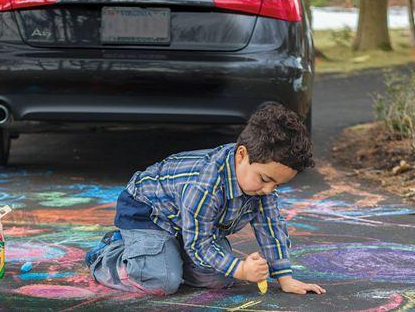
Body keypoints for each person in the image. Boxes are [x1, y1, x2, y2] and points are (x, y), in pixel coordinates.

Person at [85, 102, 326, 296]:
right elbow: (199, 244)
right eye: (265, 179)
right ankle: (110, 252)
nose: (268, 190)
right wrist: (241, 268)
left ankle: (168, 252)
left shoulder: (261, 185)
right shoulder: (205, 183)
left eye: (277, 185)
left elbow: (271, 227)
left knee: (218, 279)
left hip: (187, 224)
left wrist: (285, 278)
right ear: (241, 155)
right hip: (148, 214)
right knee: (162, 281)